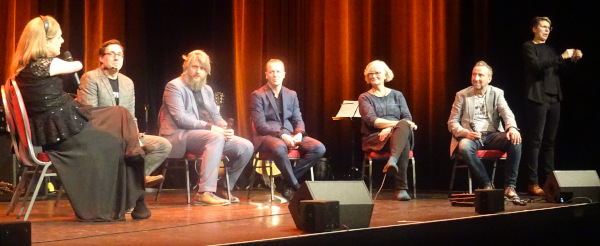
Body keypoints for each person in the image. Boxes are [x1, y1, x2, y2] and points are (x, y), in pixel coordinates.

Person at [8, 16, 150, 221]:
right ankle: (138, 189)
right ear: (45, 41)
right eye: (58, 37)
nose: (62, 41)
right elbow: (77, 65)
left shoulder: (26, 68)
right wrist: (69, 60)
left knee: (121, 114)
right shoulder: (46, 64)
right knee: (117, 139)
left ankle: (134, 157)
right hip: (65, 132)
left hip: (65, 123)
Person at [159, 50, 253, 206]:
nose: (198, 71)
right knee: (215, 137)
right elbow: (181, 119)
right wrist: (211, 128)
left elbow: (216, 116)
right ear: (186, 67)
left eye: (202, 69)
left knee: (246, 146)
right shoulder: (174, 86)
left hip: (204, 135)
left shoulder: (207, 89)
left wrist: (224, 126)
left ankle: (223, 187)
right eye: (195, 67)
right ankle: (204, 192)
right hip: (179, 136)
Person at [78, 39, 172, 188]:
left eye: (120, 55)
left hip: (127, 136)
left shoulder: (127, 82)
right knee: (121, 146)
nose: (116, 58)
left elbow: (131, 115)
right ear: (101, 58)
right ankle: (134, 182)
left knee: (162, 145)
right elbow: (89, 113)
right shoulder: (91, 78)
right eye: (112, 54)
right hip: (100, 134)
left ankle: (134, 179)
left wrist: (133, 132)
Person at [521, 17, 583, 196]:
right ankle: (532, 182)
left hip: (554, 98)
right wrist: (561, 57)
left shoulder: (550, 49)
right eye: (543, 27)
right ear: (534, 28)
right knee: (536, 141)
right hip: (538, 98)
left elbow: (561, 71)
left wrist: (572, 60)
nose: (547, 30)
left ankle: (549, 183)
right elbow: (536, 66)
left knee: (550, 142)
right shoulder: (528, 47)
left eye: (549, 28)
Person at [249, 59, 326, 201]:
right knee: (279, 148)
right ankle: (296, 186)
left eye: (278, 71)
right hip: (267, 135)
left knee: (319, 148)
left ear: (284, 74)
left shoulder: (292, 94)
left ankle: (285, 183)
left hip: (290, 134)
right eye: (272, 72)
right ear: (266, 75)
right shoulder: (257, 95)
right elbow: (260, 125)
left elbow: (298, 119)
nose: (275, 74)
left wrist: (299, 133)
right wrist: (281, 135)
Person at [448, 61, 522, 201]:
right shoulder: (462, 95)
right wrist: (466, 133)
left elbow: (506, 112)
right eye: (474, 74)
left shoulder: (497, 93)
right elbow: (451, 122)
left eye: (480, 75)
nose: (476, 78)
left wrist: (512, 127)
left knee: (515, 139)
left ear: (489, 78)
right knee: (464, 146)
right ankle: (487, 185)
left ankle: (510, 187)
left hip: (492, 134)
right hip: (471, 136)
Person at [358, 60, 416, 201]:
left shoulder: (397, 95)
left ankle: (392, 161)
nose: (373, 76)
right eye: (370, 73)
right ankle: (401, 188)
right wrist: (395, 126)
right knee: (403, 137)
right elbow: (373, 121)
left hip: (397, 133)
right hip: (375, 136)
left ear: (385, 75)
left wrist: (392, 128)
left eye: (377, 72)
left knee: (402, 132)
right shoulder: (365, 97)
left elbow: (407, 118)